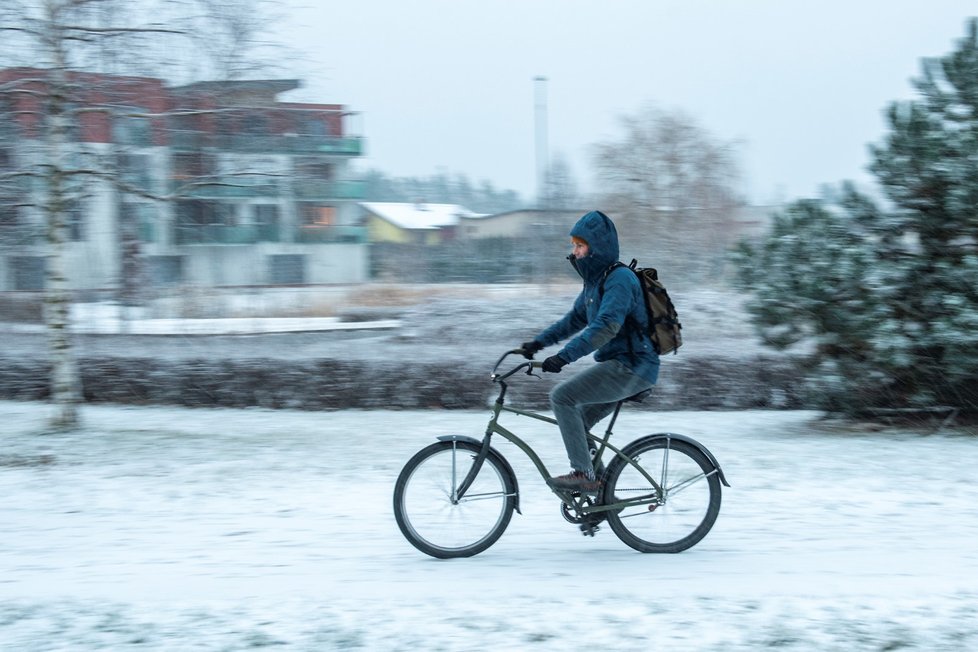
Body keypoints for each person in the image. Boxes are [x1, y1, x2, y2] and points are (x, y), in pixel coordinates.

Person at [520, 210, 659, 493]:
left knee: (562, 397)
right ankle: (601, 494)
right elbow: (573, 321)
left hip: (633, 366)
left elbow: (605, 327)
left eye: (579, 245)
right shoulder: (595, 284)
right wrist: (538, 343)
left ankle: (584, 474)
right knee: (577, 421)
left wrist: (563, 357)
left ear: (597, 247)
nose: (574, 251)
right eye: (573, 245)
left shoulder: (620, 280)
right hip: (621, 365)